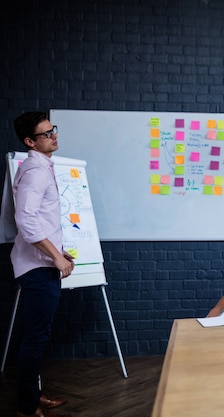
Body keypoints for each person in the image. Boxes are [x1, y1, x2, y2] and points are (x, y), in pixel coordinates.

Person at [11, 112, 75, 417]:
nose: (54, 136)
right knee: (36, 337)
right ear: (30, 142)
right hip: (37, 267)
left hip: (41, 263)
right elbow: (26, 221)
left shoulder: (41, 167)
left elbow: (41, 221)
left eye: (53, 131)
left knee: (38, 335)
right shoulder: (35, 171)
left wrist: (58, 253)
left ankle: (34, 396)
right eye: (47, 134)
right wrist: (56, 256)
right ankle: (27, 406)